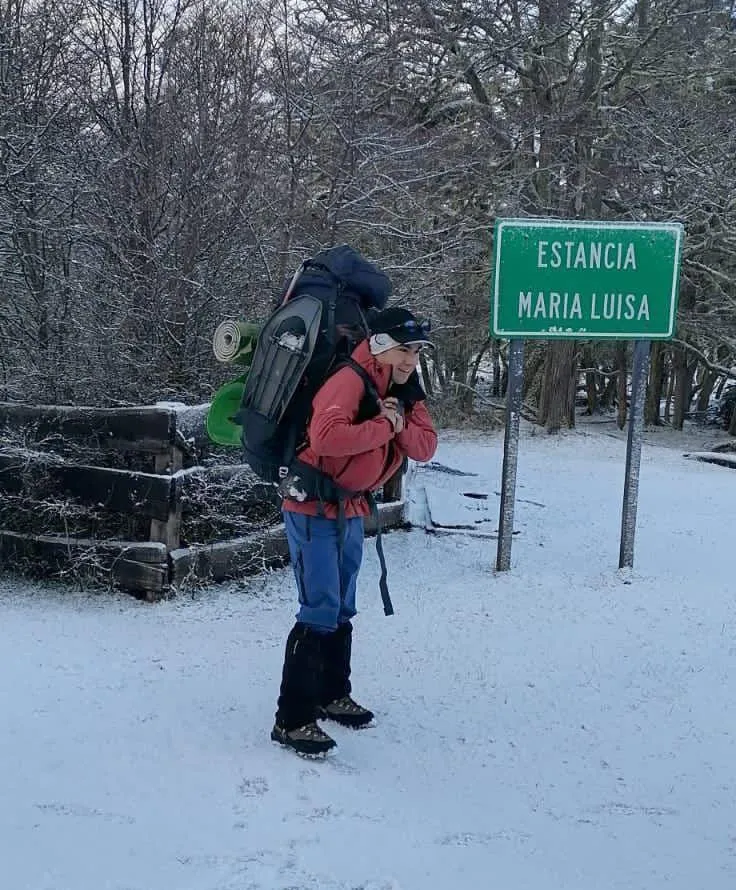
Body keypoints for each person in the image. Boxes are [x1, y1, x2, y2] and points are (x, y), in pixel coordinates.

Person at [271, 307, 438, 755]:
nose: (410, 360)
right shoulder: (348, 380)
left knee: (342, 603)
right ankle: (293, 718)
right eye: (404, 349)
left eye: (417, 351)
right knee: (320, 605)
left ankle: (331, 694)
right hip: (311, 506)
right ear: (382, 345)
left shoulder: (404, 389)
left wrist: (397, 422)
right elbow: (326, 438)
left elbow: (425, 445)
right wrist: (385, 424)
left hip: (351, 508)